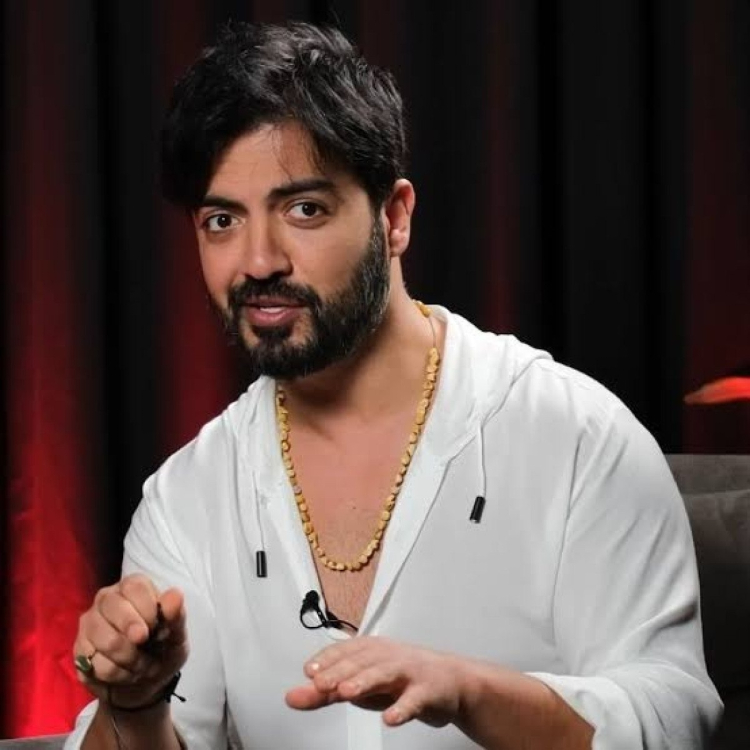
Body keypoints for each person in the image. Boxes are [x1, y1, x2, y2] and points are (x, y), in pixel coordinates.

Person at [66, 20, 721, 750]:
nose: (258, 261)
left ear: (395, 217)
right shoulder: (187, 498)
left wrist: (470, 691)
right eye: (222, 220)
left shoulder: (576, 437)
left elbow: (673, 719)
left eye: (304, 209)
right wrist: (135, 706)